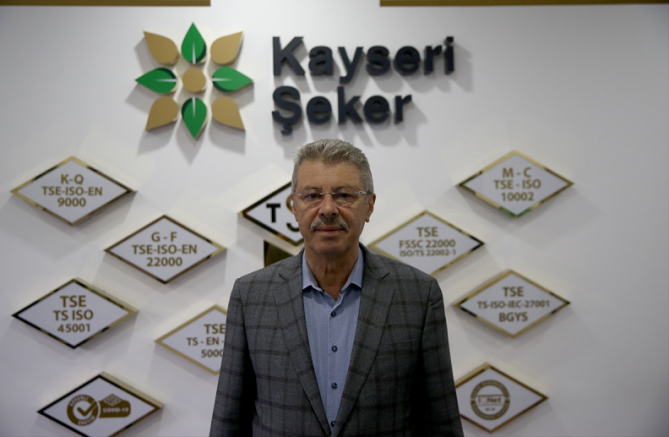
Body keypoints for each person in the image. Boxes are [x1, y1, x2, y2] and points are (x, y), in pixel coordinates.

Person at [210, 139, 463, 437]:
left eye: (344, 195)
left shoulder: (418, 295)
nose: (328, 208)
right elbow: (229, 419)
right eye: (312, 196)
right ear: (294, 206)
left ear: (369, 205)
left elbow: (440, 421)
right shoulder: (251, 295)